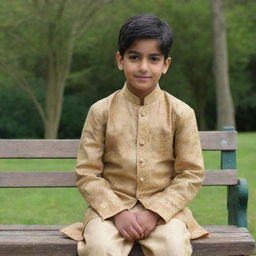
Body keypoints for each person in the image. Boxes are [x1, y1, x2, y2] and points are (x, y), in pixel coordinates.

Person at [61, 13, 208, 256]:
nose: (143, 67)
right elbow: (87, 172)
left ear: (166, 64)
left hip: (165, 214)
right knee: (99, 247)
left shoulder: (181, 113)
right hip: (108, 212)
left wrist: (156, 212)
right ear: (120, 60)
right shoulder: (101, 111)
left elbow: (191, 174)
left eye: (153, 59)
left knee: (173, 247)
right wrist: (117, 212)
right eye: (134, 57)